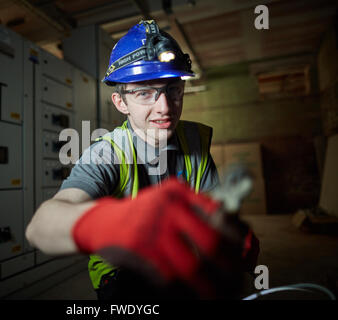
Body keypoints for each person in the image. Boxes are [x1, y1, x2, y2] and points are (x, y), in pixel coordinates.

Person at [26, 20, 259, 300]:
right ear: (120, 102)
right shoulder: (107, 152)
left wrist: (228, 232)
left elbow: (213, 208)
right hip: (121, 273)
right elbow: (40, 227)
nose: (165, 107)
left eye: (172, 89)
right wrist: (111, 223)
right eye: (144, 92)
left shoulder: (194, 141)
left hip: (178, 259)